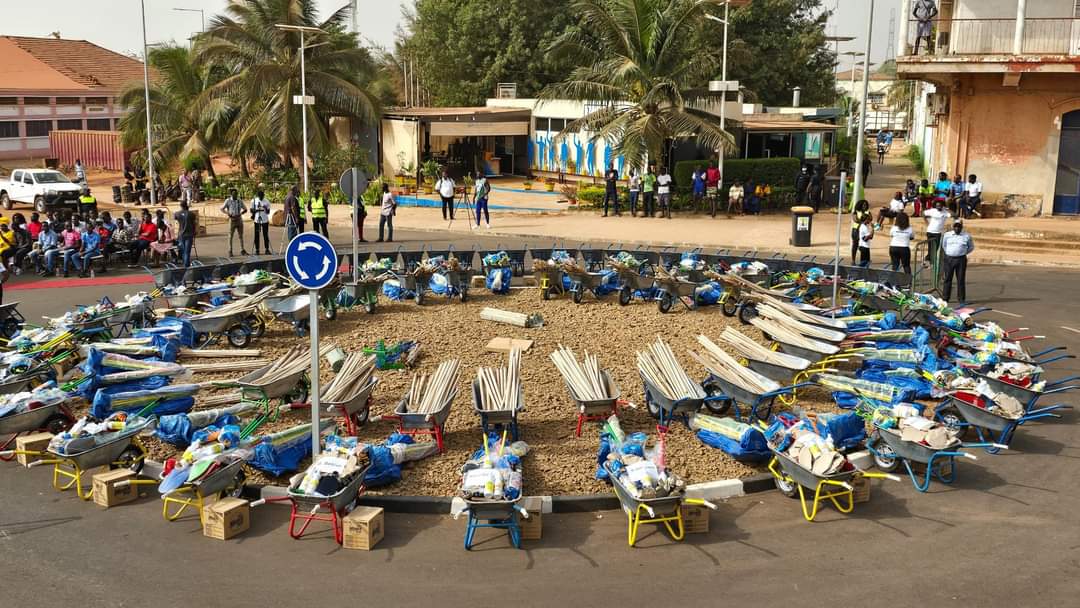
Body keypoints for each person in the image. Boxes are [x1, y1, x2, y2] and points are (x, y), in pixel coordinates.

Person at [941, 219, 974, 302]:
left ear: (961, 227)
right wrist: (950, 253)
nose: (957, 228)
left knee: (960, 279)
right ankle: (945, 298)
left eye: (959, 227)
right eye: (955, 226)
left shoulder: (966, 236)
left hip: (961, 259)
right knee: (948, 278)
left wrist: (962, 253)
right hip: (949, 259)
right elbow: (944, 245)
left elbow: (971, 247)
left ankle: (961, 298)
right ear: (953, 227)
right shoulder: (947, 235)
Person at [922, 198, 950, 265]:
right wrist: (926, 222)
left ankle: (929, 260)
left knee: (936, 248)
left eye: (940, 205)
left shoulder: (945, 212)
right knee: (930, 247)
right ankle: (929, 261)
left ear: (942, 205)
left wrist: (947, 209)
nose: (938, 207)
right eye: (937, 206)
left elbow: (954, 215)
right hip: (930, 231)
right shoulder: (932, 211)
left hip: (938, 233)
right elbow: (923, 213)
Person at [221, 189, 247, 257]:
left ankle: (242, 249)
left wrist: (240, 214)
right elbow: (221, 208)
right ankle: (230, 250)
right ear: (231, 194)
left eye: (236, 194)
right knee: (230, 236)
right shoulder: (228, 200)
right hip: (232, 220)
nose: (235, 195)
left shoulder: (239, 201)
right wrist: (228, 213)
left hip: (239, 219)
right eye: (234, 194)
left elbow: (245, 209)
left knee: (240, 236)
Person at [173, 200, 196, 267]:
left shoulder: (177, 214)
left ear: (180, 206)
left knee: (183, 250)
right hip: (189, 234)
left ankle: (185, 263)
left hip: (181, 234)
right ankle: (186, 265)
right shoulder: (191, 214)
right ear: (186, 205)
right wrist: (194, 232)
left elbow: (176, 219)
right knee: (187, 251)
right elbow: (194, 224)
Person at [250, 189, 271, 255]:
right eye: (260, 196)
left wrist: (265, 208)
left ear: (263, 196)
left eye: (262, 196)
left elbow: (268, 212)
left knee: (265, 234)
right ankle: (257, 250)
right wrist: (256, 209)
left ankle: (267, 249)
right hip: (257, 219)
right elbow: (251, 210)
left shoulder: (267, 201)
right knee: (257, 235)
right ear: (258, 196)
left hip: (265, 219)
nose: (261, 198)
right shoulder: (254, 200)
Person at [850, 199, 871, 264]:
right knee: (855, 245)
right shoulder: (856, 212)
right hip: (856, 230)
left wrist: (865, 217)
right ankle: (853, 260)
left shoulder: (868, 212)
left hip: (863, 230)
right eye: (863, 205)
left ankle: (863, 260)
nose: (864, 206)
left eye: (865, 205)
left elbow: (870, 219)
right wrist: (863, 221)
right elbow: (855, 219)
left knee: (864, 244)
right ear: (860, 205)